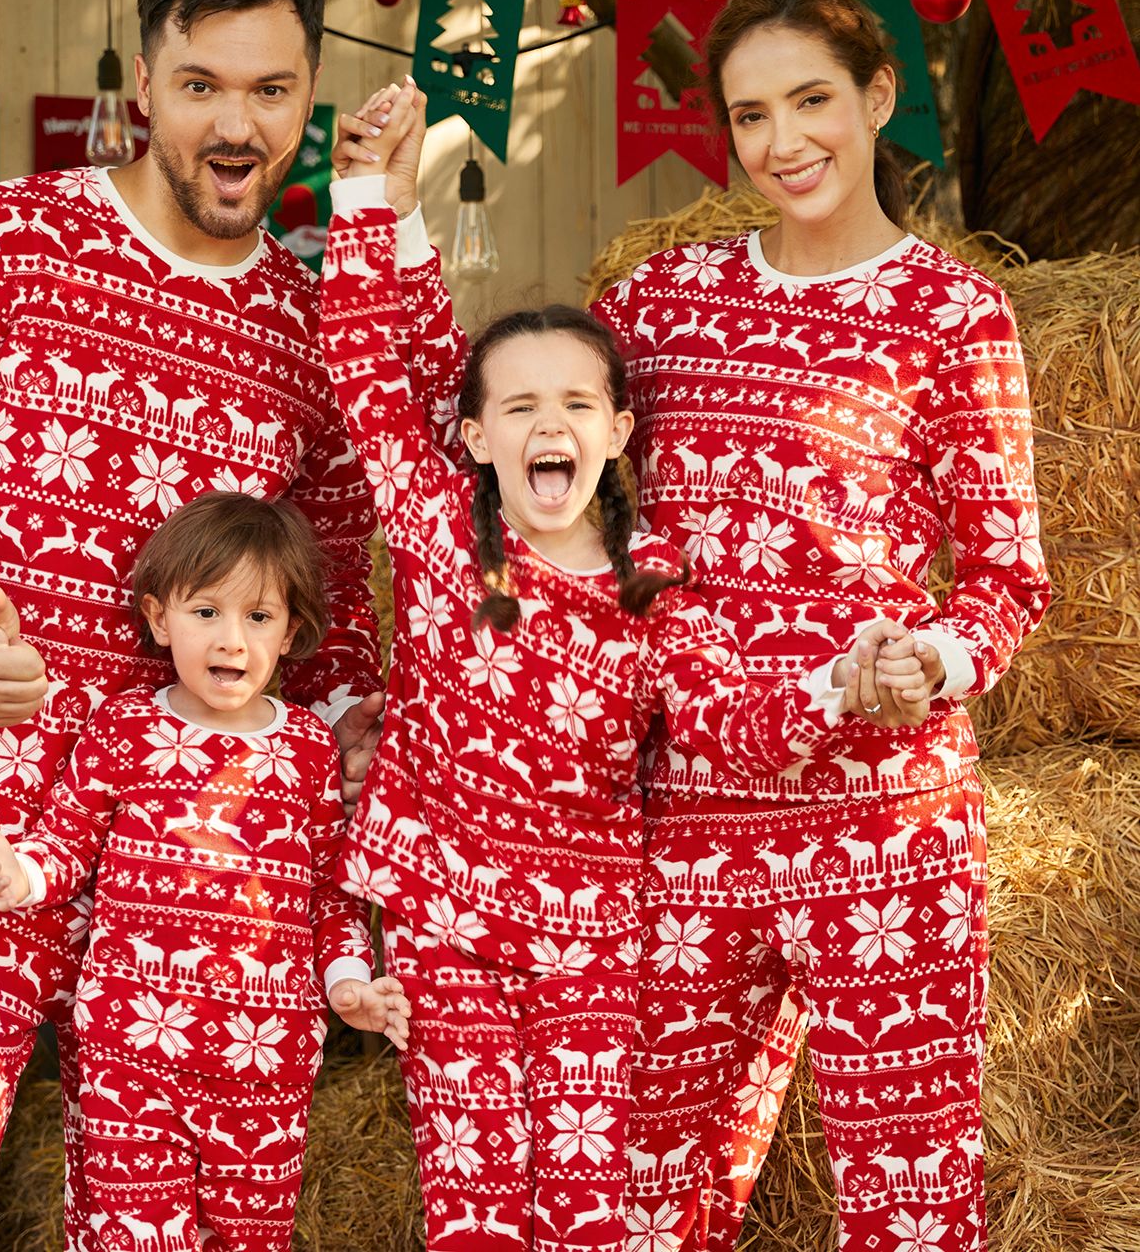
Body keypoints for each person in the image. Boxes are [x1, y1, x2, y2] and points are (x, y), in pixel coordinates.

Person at [0, 0, 445, 1252]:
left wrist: (368, 793)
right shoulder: (8, 239)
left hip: (201, 854)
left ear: (308, 97)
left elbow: (329, 621)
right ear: (144, 89)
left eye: (271, 90)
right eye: (204, 84)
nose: (238, 122)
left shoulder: (304, 325)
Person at [318, 82, 927, 1252]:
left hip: (591, 928)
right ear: (472, 434)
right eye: (518, 406)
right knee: (472, 1188)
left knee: (590, 1202)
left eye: (576, 404)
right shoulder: (437, 521)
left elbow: (729, 719)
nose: (548, 426)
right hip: (447, 915)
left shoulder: (654, 588)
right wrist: (369, 194)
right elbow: (364, 353)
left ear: (616, 433)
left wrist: (842, 686)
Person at [589, 0, 1050, 1252]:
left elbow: (1009, 577)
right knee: (638, 1196)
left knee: (907, 1211)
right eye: (750, 115)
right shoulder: (657, 304)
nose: (782, 141)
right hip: (688, 816)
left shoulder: (953, 315)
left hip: (883, 829)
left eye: (810, 101)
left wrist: (934, 657)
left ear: (877, 99)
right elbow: (558, 481)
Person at [0, 492, 409, 1252]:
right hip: (130, 1050)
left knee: (249, 1236)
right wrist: (21, 875)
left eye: (258, 617)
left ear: (292, 631)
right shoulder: (126, 727)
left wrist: (346, 982)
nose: (232, 639)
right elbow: (67, 844)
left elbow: (330, 895)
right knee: (133, 1234)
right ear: (157, 617)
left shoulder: (306, 750)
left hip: (264, 1057)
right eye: (206, 612)